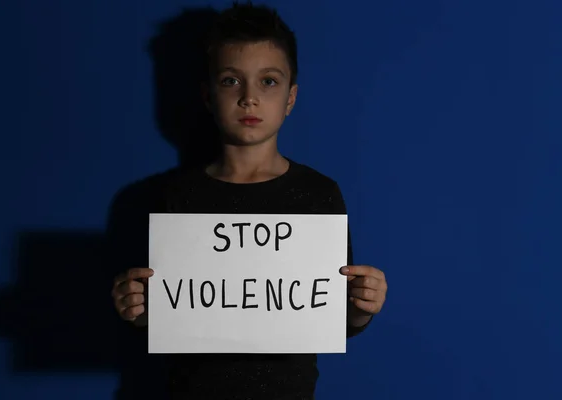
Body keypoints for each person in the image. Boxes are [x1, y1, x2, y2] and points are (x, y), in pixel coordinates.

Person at [110, 2, 388, 399]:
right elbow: (165, 316)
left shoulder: (319, 194)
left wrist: (362, 306)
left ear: (290, 98)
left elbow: (332, 315)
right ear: (208, 95)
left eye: (268, 82)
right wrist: (135, 309)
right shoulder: (174, 197)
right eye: (231, 81)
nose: (249, 98)